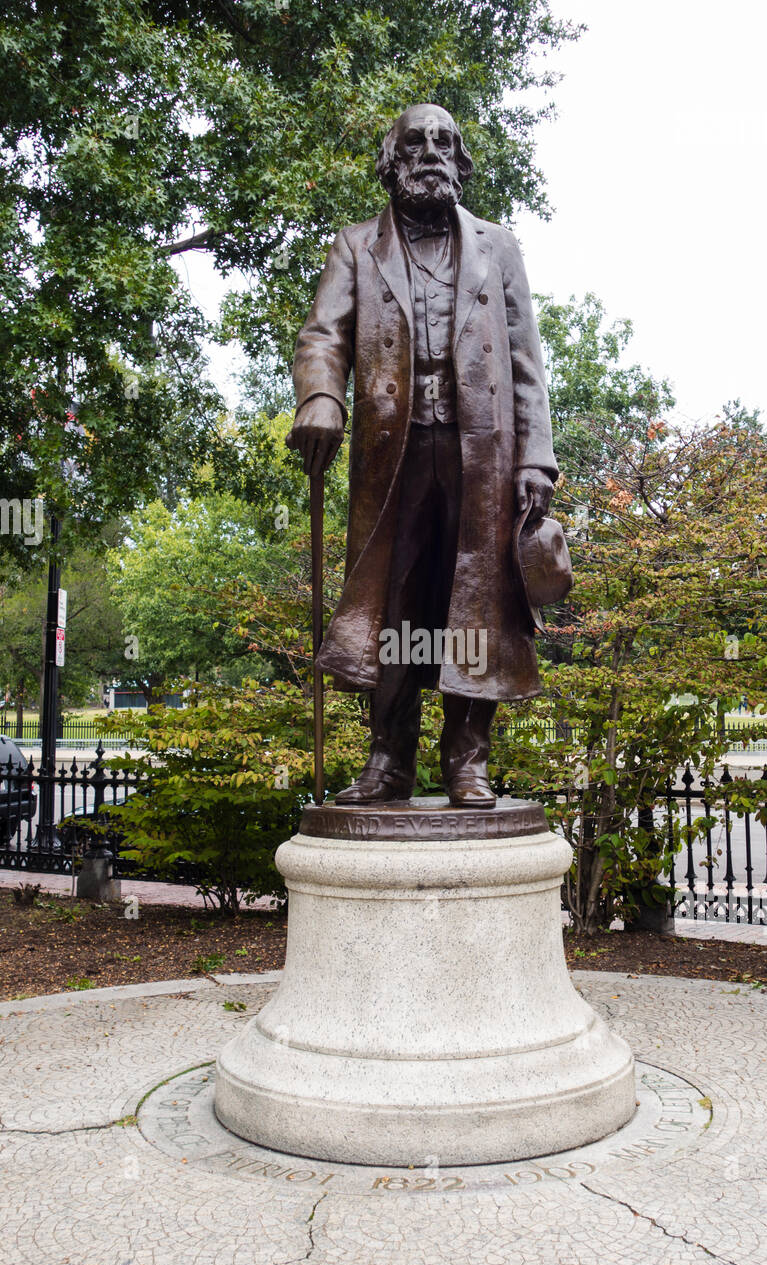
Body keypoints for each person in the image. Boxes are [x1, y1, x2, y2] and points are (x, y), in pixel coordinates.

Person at [289, 103, 557, 807]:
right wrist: (322, 397)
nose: (431, 152)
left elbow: (526, 361)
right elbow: (323, 337)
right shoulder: (356, 246)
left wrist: (536, 457)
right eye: (415, 142)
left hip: (484, 456)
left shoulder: (498, 247)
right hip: (393, 456)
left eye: (445, 142)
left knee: (477, 601)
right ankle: (389, 760)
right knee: (396, 606)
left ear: (460, 162)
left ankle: (467, 759)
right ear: (392, 161)